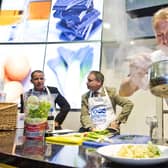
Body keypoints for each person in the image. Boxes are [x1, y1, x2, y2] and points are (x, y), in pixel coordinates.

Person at [119, 7, 168, 97]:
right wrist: (135, 76)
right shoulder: (157, 59)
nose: (165, 40)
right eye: (160, 35)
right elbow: (123, 92)